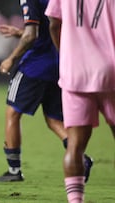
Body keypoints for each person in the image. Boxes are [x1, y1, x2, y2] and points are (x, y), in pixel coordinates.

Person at [0, 0, 93, 182]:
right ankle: (81, 158)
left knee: (12, 113)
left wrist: (10, 58)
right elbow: (49, 31)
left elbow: (32, 35)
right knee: (54, 119)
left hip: (34, 66)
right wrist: (19, 33)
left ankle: (14, 171)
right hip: (57, 65)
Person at [46, 1, 115, 202]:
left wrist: (66, 55)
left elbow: (53, 23)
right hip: (110, 70)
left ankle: (76, 200)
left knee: (75, 146)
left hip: (75, 71)